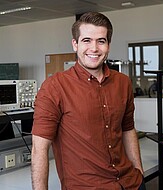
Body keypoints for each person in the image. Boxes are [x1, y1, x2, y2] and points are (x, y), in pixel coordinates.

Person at [31, 12, 146, 190]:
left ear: (108, 45)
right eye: (86, 40)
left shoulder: (123, 83)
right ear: (75, 44)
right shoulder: (54, 87)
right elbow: (39, 148)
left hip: (131, 183)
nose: (94, 48)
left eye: (101, 41)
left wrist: (139, 171)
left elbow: (128, 129)